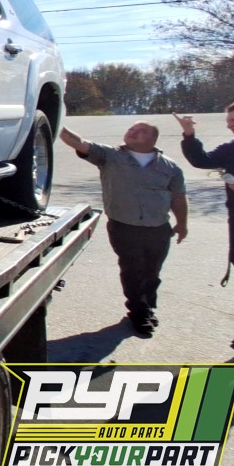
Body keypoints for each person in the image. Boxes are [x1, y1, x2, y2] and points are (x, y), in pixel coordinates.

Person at [59, 122, 188, 337]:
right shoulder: (109, 156)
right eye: (131, 129)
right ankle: (139, 312)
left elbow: (178, 198)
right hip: (124, 227)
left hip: (159, 228)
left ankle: (147, 306)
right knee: (133, 269)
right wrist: (55, 122)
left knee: (153, 271)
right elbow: (78, 143)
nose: (133, 132)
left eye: (141, 130)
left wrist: (182, 224)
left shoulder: (170, 167)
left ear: (153, 139)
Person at [173, 102, 234, 350]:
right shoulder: (232, 149)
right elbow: (201, 160)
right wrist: (189, 134)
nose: (229, 125)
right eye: (228, 121)